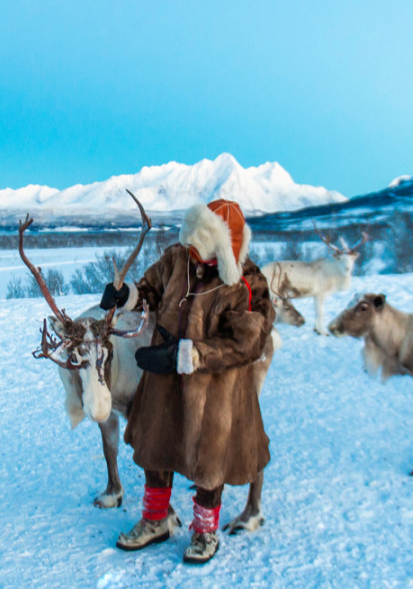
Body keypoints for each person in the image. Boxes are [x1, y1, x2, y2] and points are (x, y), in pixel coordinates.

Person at [100, 199, 274, 564]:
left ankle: (205, 532)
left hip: (216, 391)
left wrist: (192, 355)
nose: (191, 250)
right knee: (155, 447)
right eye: (189, 239)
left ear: (222, 246)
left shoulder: (246, 283)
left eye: (200, 243)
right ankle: (156, 520)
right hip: (164, 376)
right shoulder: (177, 258)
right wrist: (127, 295)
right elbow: (150, 288)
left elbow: (249, 343)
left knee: (209, 460)